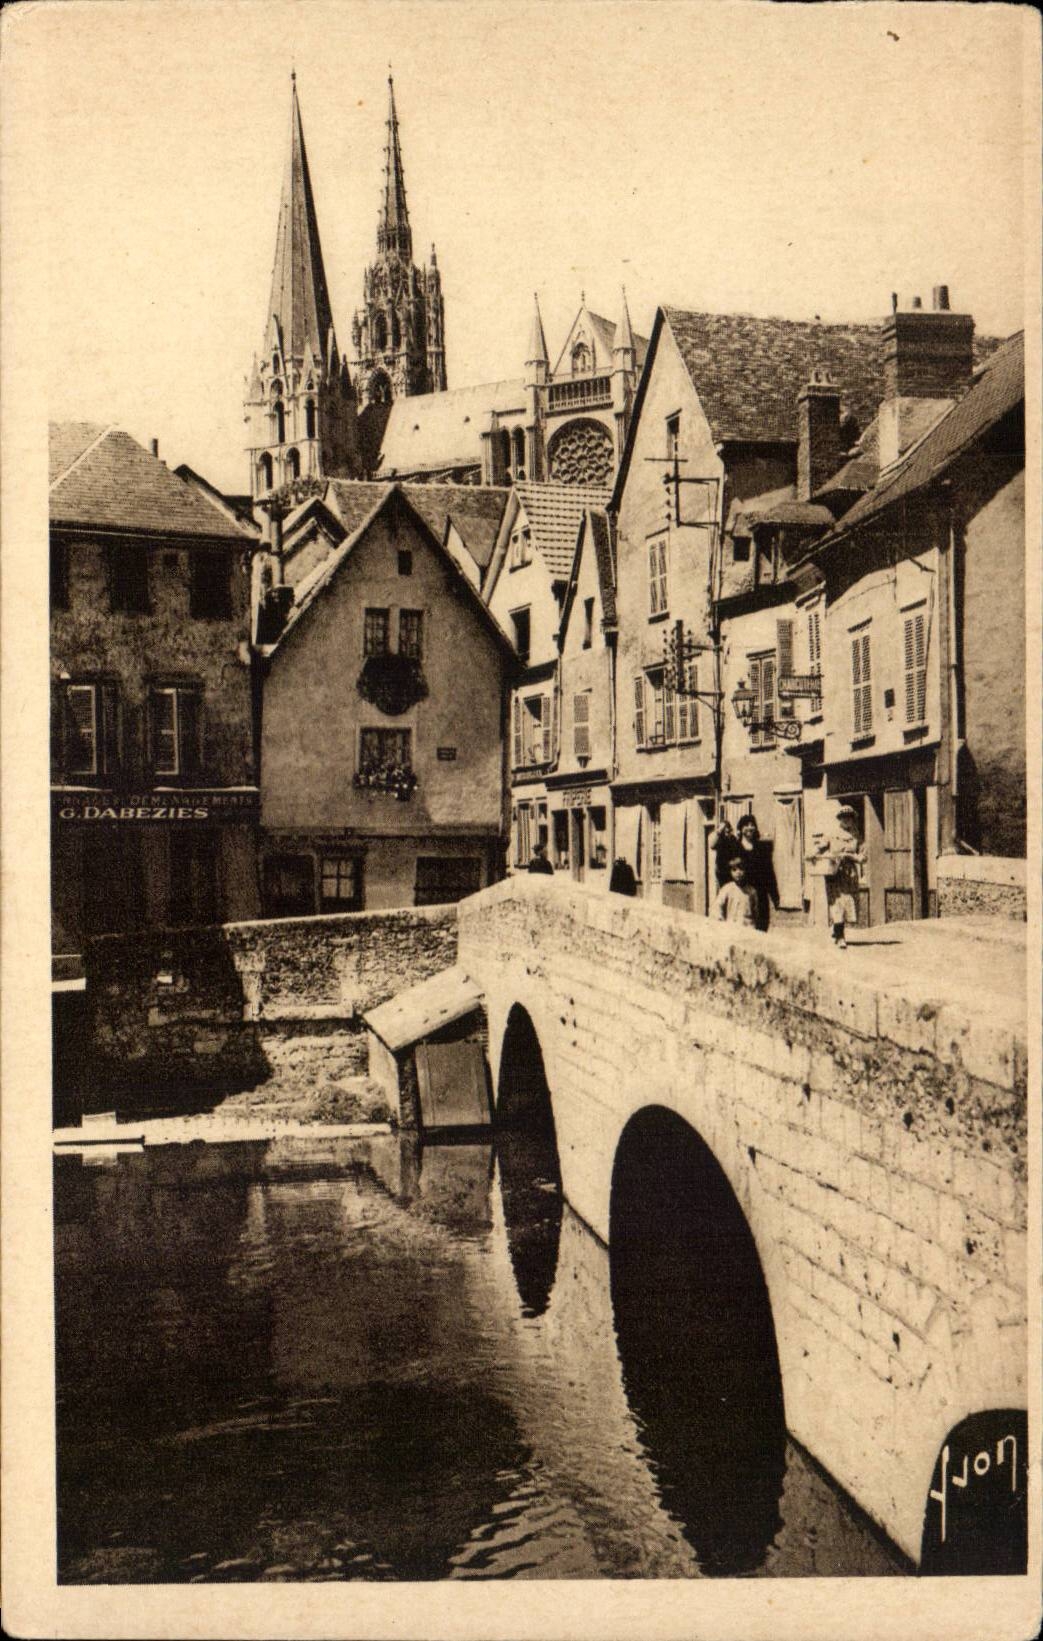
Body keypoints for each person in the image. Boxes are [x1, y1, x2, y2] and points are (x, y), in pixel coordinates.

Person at [814, 804, 865, 948]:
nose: (847, 820)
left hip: (849, 874)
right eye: (844, 817)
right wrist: (815, 853)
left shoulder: (856, 836)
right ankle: (840, 935)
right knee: (837, 903)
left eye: (849, 817)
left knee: (848, 902)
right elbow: (821, 847)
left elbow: (863, 855)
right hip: (834, 873)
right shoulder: (831, 833)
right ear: (839, 819)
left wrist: (852, 857)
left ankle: (837, 931)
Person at [735, 814, 780, 933]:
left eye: (752, 825)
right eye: (746, 825)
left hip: (761, 895)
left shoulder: (761, 848)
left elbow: (769, 873)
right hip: (742, 894)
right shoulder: (735, 848)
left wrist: (775, 896)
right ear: (740, 828)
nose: (750, 828)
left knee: (761, 928)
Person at [715, 853, 757, 926]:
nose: (738, 872)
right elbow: (718, 905)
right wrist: (720, 920)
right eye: (734, 870)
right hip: (732, 926)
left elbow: (756, 911)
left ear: (746, 870)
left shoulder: (752, 891)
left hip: (747, 927)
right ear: (730, 872)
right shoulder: (727, 889)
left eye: (741, 869)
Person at [709, 817, 737, 891]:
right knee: (723, 890)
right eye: (723, 831)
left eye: (727, 831)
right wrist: (718, 832)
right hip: (721, 870)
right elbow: (712, 846)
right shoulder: (719, 838)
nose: (726, 834)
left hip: (731, 869)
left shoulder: (733, 839)